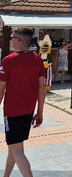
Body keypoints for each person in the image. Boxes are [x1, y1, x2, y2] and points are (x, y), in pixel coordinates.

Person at [0, 27, 45, 177]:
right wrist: (40, 112)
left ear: (18, 40)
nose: (10, 39)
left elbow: (0, 88)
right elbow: (41, 88)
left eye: (11, 37)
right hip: (28, 110)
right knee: (14, 147)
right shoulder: (37, 59)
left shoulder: (8, 60)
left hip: (12, 111)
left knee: (17, 150)